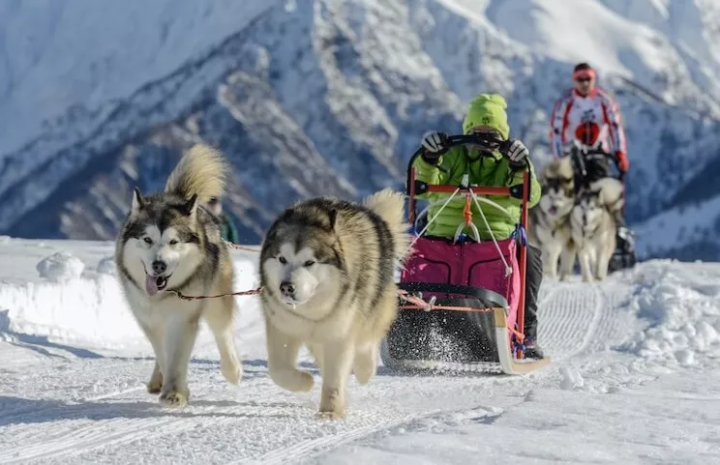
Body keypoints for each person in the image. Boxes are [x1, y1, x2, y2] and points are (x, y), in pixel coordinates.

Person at [416, 93, 545, 359]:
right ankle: (411, 323)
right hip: (445, 236)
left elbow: (530, 197)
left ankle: (526, 332)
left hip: (494, 240)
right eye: (478, 132)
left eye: (491, 133)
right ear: (467, 131)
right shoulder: (452, 155)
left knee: (529, 258)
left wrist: (521, 166)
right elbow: (422, 187)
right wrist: (429, 158)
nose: (484, 140)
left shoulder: (512, 161)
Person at [550, 62, 631, 245]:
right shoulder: (566, 103)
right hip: (573, 154)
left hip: (599, 153)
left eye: (588, 79)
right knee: (569, 192)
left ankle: (615, 229)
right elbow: (556, 132)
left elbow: (615, 127)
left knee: (603, 190)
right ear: (574, 81)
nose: (585, 83)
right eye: (580, 79)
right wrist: (558, 160)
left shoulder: (604, 101)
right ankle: (565, 233)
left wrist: (620, 153)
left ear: (593, 80)